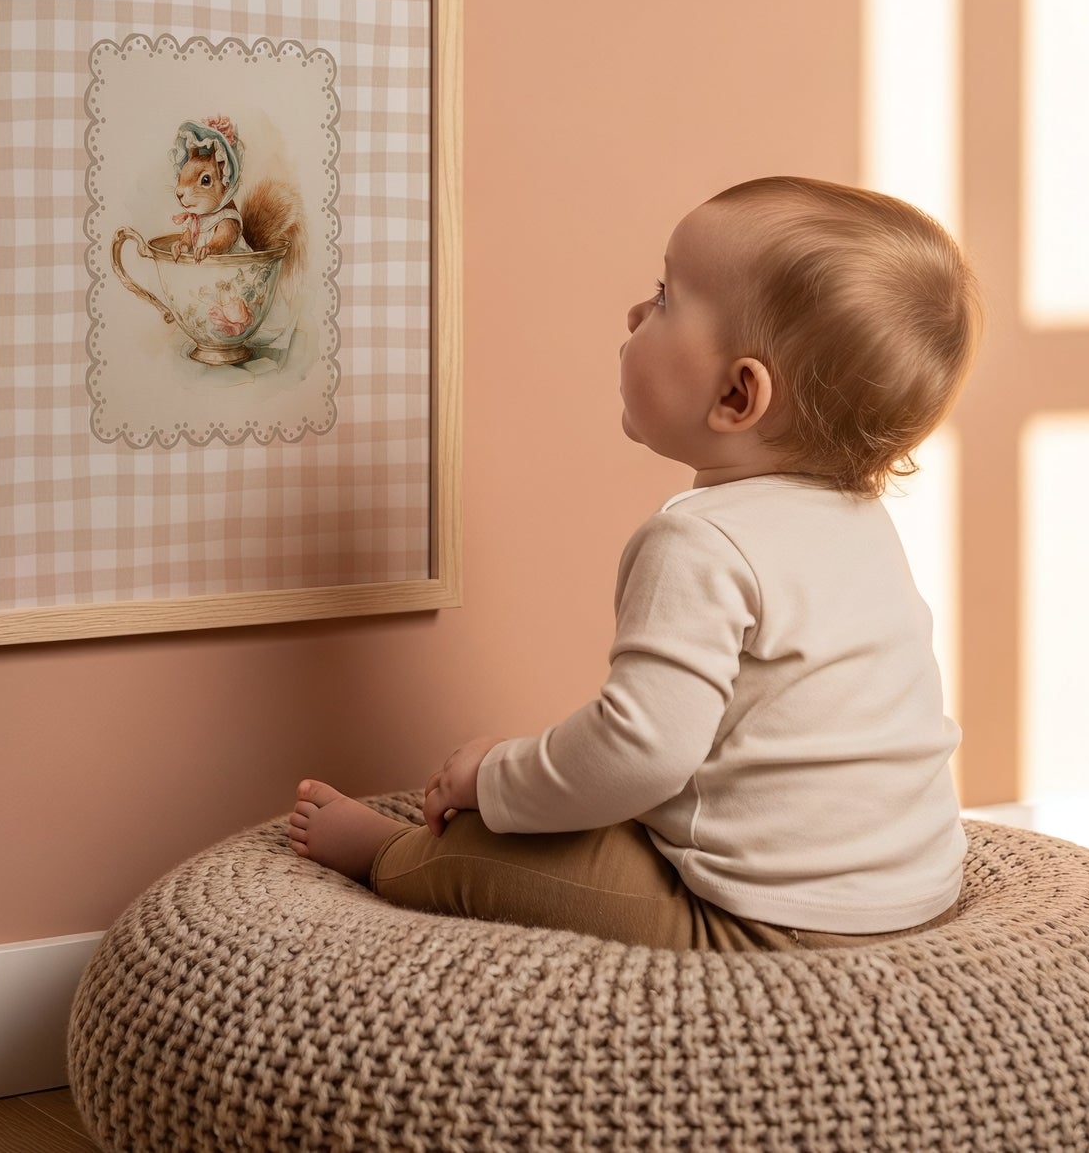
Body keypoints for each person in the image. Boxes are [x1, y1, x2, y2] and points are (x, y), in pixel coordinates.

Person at [288, 176, 985, 951]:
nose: (632, 313)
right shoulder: (859, 523)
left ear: (735, 394)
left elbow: (637, 754)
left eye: (663, 296)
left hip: (760, 922)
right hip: (915, 891)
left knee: (510, 849)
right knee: (582, 798)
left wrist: (491, 775)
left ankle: (388, 858)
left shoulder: (700, 542)